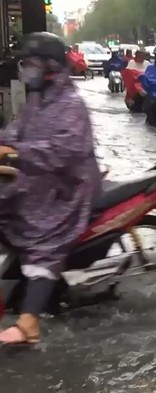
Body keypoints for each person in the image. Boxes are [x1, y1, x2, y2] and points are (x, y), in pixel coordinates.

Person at [0, 32, 102, 346]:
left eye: (32, 63)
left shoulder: (72, 104)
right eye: (25, 63)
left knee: (41, 234)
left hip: (68, 188)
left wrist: (18, 154)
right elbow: (17, 132)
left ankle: (29, 322)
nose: (26, 69)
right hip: (36, 180)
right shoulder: (37, 100)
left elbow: (66, 151)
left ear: (51, 66)